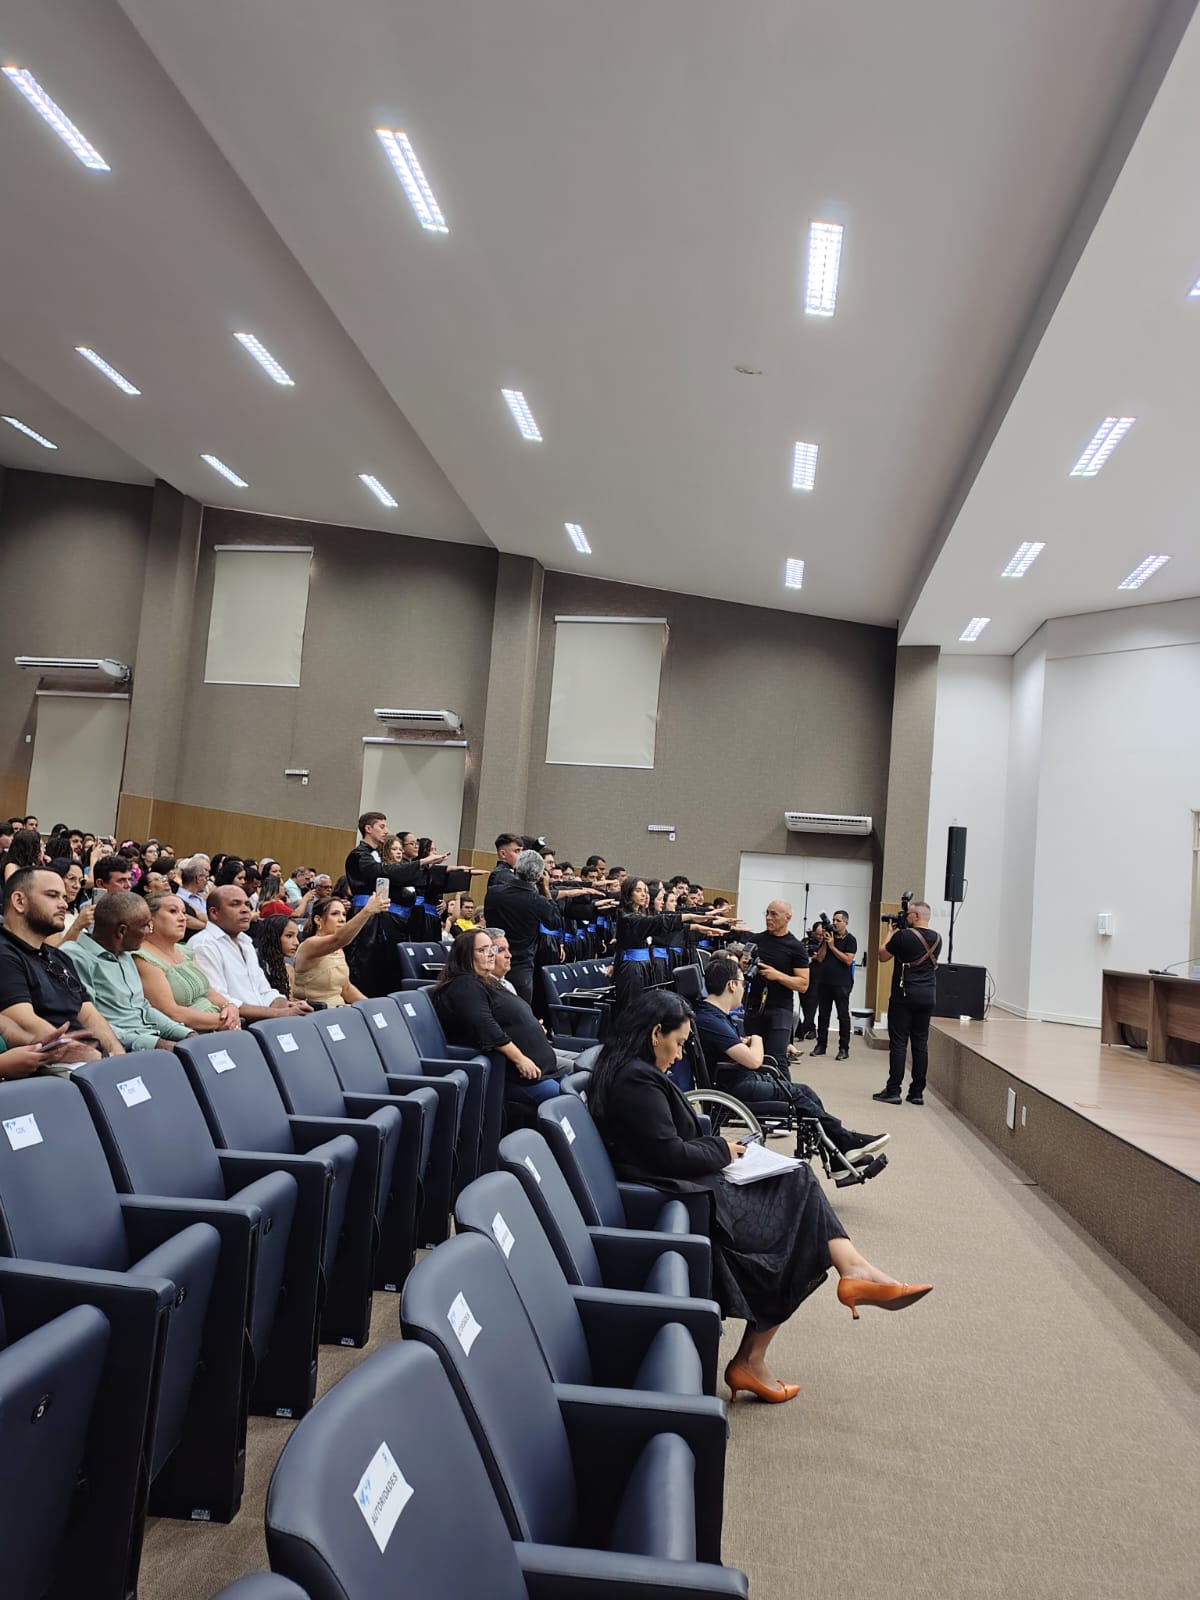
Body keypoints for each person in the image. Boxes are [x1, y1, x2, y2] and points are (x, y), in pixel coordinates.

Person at [587, 990, 932, 1403]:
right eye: (678, 1043)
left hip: (688, 1190)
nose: (679, 1056)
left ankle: (848, 1275)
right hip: (686, 1200)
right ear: (655, 1033)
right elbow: (669, 1154)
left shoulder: (632, 1071)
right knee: (801, 1215)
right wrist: (723, 1149)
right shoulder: (635, 1080)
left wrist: (721, 1149)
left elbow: (669, 1144)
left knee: (798, 1182)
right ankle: (770, 1343)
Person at [692, 958, 887, 1166]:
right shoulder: (711, 1020)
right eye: (742, 983)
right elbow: (754, 1061)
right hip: (736, 1085)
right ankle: (845, 1142)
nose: (743, 988)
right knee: (798, 1095)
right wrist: (756, 1039)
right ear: (731, 985)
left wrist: (746, 1043)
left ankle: (839, 1153)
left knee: (805, 1092)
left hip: (738, 1079)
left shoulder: (711, 1016)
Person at [432, 929, 563, 1114]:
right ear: (466, 955)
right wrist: (520, 1059)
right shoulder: (464, 985)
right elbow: (484, 1026)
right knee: (570, 1101)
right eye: (483, 950)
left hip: (545, 1070)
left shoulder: (487, 982)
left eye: (492, 949)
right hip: (522, 1077)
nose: (491, 954)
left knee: (582, 1088)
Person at [0, 867, 123, 1061]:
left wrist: (117, 1054)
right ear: (19, 901)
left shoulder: (58, 957)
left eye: (64, 898)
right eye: (52, 895)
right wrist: (98, 1058)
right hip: (52, 1065)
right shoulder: (4, 954)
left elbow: (88, 1014)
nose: (64, 904)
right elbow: (25, 1024)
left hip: (92, 1060)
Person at [63, 892, 192, 1053]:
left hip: (149, 1041)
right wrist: (155, 1044)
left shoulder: (125, 954)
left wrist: (186, 1034)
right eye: (145, 926)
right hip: (117, 1049)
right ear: (122, 931)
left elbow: (143, 1007)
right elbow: (88, 1021)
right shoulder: (74, 957)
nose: (148, 931)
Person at [190, 885, 313, 1021]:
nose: (245, 910)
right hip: (237, 1026)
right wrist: (278, 1013)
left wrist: (287, 1005)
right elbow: (220, 1001)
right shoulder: (204, 945)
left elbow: (264, 991)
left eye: (247, 904)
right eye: (235, 904)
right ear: (214, 913)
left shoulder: (246, 942)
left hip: (265, 1021)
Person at [612, 877, 728, 1015]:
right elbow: (659, 921)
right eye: (638, 891)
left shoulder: (642, 914)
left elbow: (667, 922)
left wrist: (698, 925)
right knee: (631, 1008)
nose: (644, 895)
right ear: (628, 893)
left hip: (646, 965)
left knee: (646, 1008)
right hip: (632, 968)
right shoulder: (626, 917)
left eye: (645, 891)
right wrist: (690, 916)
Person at [133, 892, 241, 1032]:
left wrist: (230, 1007)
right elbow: (171, 1013)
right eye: (173, 911)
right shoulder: (142, 956)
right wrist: (225, 1021)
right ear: (150, 919)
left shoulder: (183, 950)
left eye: (183, 912)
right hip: (191, 1033)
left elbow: (209, 992)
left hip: (219, 1025)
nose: (182, 918)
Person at [874, 900, 942, 1106]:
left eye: (909, 914)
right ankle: (917, 1092)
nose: (905, 916)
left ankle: (893, 1090)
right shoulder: (938, 938)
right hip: (928, 996)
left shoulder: (903, 936)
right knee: (920, 1043)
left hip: (904, 996)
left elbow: (882, 955)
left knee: (899, 1042)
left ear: (917, 916)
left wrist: (890, 932)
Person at [483, 848, 560, 1006]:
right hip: (521, 966)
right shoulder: (537, 901)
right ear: (539, 876)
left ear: (516, 868)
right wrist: (546, 890)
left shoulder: (494, 893)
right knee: (520, 1012)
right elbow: (555, 922)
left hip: (492, 958)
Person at [743, 900, 810, 1068]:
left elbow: (803, 985)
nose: (768, 918)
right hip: (754, 1006)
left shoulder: (796, 947)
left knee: (776, 1059)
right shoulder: (756, 940)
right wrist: (742, 965)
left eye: (774, 914)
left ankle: (784, 1085)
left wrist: (777, 976)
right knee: (751, 1057)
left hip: (781, 1008)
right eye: (767, 913)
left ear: (788, 917)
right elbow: (742, 966)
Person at [292, 891, 388, 1007]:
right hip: (315, 1012)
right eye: (335, 914)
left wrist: (373, 1007)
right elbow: (339, 939)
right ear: (318, 920)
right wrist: (367, 911)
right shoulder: (310, 945)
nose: (342, 919)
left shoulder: (338, 949)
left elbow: (346, 989)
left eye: (344, 914)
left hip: (340, 1010)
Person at [810, 910, 858, 1060]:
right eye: (833, 920)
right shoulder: (828, 937)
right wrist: (826, 942)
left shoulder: (850, 940)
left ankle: (844, 1048)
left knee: (843, 1016)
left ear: (846, 923)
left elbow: (848, 960)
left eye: (838, 920)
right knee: (823, 1015)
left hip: (842, 983)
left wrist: (833, 947)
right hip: (825, 981)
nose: (835, 923)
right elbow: (820, 958)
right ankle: (821, 1045)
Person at [44, 858, 94, 947]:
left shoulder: (74, 910)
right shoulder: (47, 913)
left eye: (81, 881)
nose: (77, 886)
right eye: (71, 879)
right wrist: (78, 925)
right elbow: (54, 951)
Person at [177, 855, 211, 933]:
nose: (207, 883)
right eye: (206, 878)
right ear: (198, 878)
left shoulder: (202, 897)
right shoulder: (179, 900)